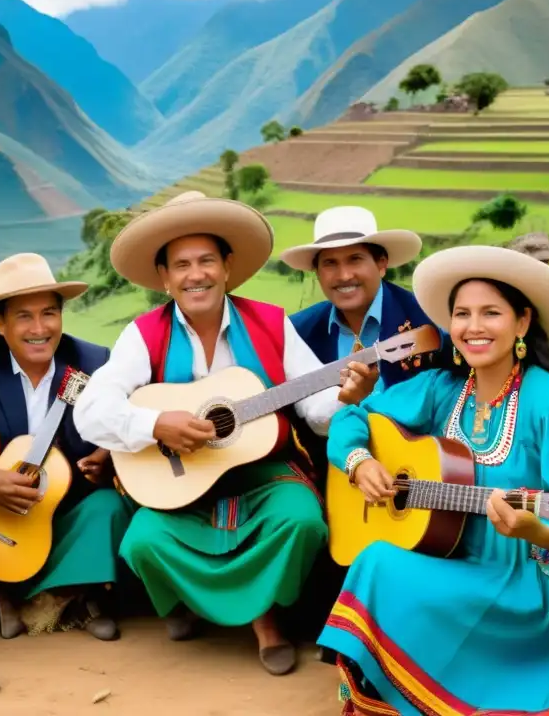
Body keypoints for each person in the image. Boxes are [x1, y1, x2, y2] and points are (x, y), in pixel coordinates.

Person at [316, 245, 549, 715]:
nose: (473, 327)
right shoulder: (444, 388)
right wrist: (359, 462)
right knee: (378, 560)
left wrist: (537, 531)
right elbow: (354, 415)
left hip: (532, 585)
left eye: (490, 313)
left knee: (380, 564)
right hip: (455, 558)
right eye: (462, 314)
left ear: (522, 323)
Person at [73, 191, 360, 676]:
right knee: (142, 541)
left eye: (207, 260)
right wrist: (155, 423)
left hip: (263, 472)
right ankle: (186, 599)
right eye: (181, 264)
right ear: (164, 277)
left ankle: (266, 620)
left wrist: (348, 396)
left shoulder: (271, 324)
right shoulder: (143, 334)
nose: (196, 274)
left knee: (304, 523)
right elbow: (91, 411)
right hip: (182, 484)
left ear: (227, 267)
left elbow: (315, 407)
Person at [0, 253, 130, 642]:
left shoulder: (93, 363)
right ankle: (69, 596)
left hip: (66, 516)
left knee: (108, 507)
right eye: (23, 316)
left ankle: (40, 597)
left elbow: (123, 428)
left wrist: (110, 461)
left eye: (49, 314)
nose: (39, 328)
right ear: (0, 324)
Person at [282, 206, 442, 481]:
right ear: (317, 273)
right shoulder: (298, 331)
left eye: (355, 259)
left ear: (381, 264)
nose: (344, 275)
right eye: (330, 263)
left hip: (417, 477)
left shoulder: (425, 322)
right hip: (333, 480)